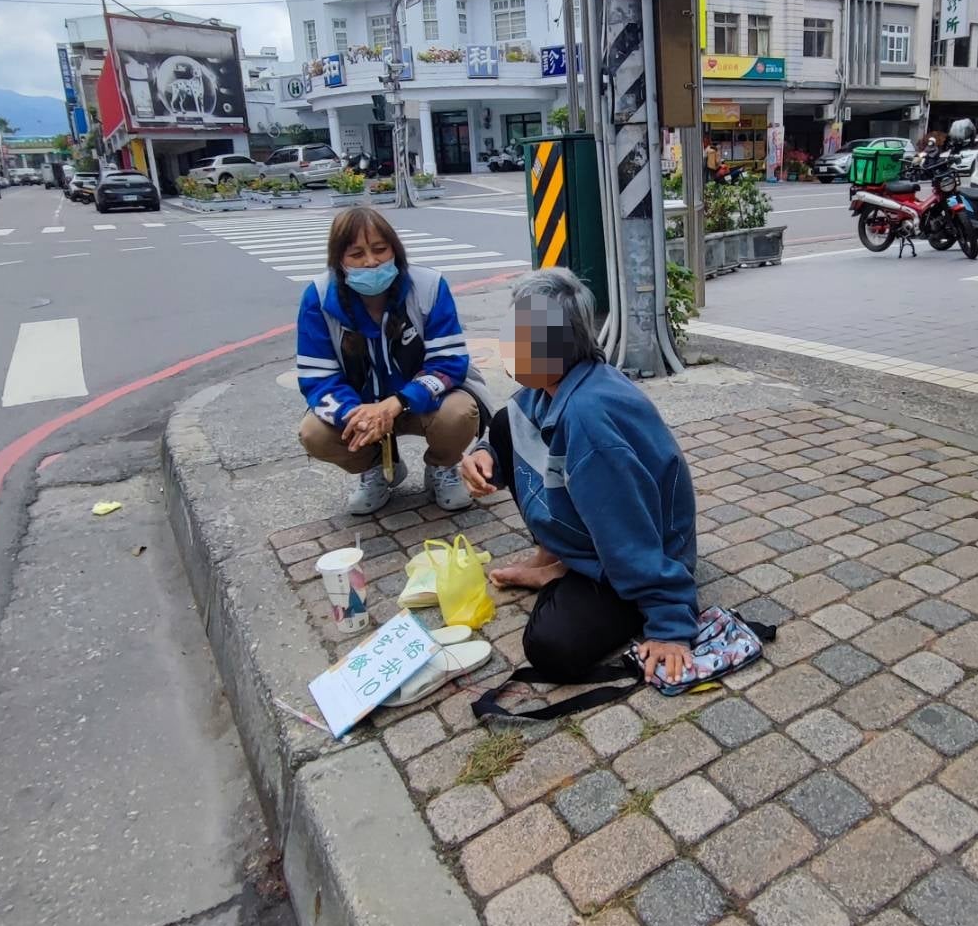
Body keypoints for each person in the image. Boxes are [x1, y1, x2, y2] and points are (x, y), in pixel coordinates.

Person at [459, 268, 699, 684]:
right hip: (604, 530)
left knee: (551, 646)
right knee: (504, 425)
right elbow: (512, 426)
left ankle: (563, 569)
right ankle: (555, 556)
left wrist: (669, 624)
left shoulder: (589, 421)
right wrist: (482, 455)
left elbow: (628, 526)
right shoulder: (553, 383)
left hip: (643, 550)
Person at [295, 207, 492, 514]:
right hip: (361, 408)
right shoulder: (318, 298)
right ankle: (376, 467)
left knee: (460, 412)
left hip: (420, 402)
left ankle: (442, 465)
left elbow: (449, 360)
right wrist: (357, 415)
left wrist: (398, 402)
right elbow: (318, 378)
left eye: (379, 249)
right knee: (314, 433)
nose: (371, 262)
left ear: (395, 250)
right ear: (339, 260)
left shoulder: (428, 286)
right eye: (356, 253)